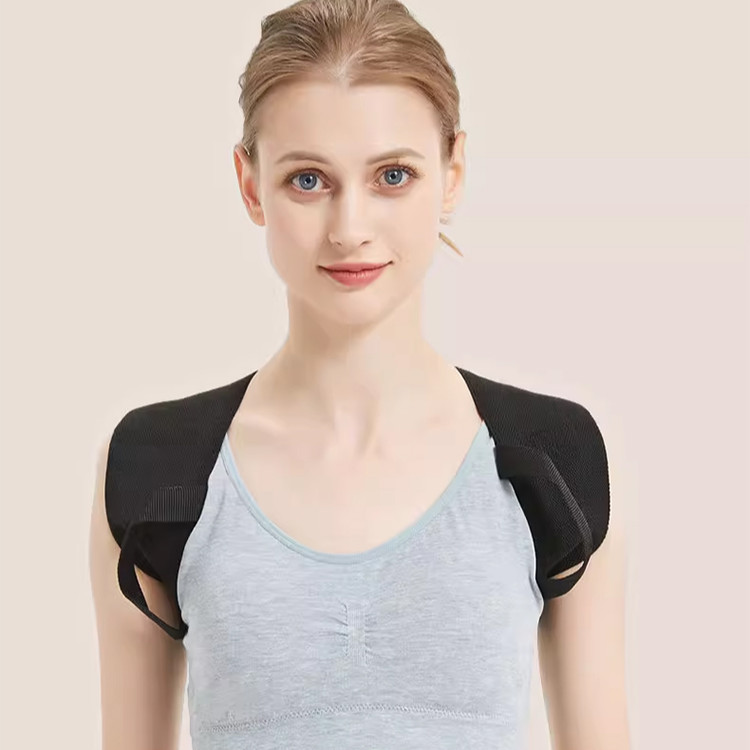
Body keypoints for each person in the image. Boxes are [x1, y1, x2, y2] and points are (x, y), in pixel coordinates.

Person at [89, 1, 630, 748]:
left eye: (393, 175)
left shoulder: (554, 458)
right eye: (308, 179)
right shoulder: (158, 468)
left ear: (453, 173)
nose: (350, 229)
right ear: (250, 185)